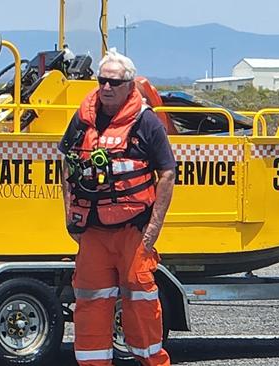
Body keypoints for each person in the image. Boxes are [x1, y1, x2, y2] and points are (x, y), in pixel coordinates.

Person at [58, 49, 175, 366]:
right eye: (101, 81)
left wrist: (153, 230)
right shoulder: (83, 119)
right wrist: (70, 214)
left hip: (133, 232)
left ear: (129, 84)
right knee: (90, 306)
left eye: (113, 82)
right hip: (93, 233)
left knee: (141, 303)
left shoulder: (146, 122)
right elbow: (66, 163)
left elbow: (167, 173)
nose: (106, 87)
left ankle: (152, 361)